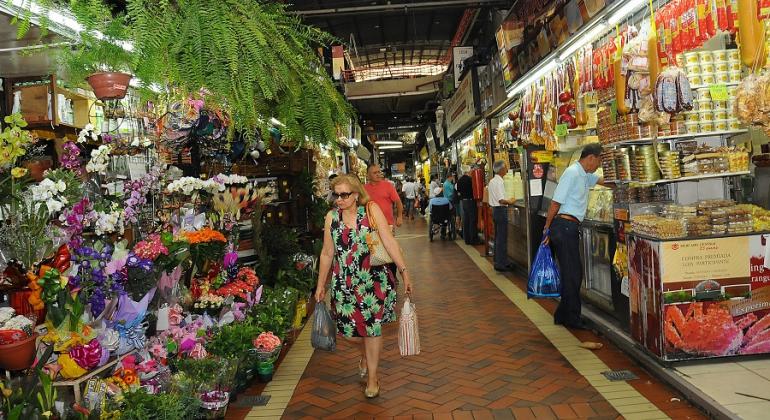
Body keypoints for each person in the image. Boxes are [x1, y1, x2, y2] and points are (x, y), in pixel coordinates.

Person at [314, 175, 413, 398]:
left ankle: (373, 378)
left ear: (356, 194)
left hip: (373, 281)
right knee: (349, 333)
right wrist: (321, 284)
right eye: (336, 195)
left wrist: (405, 272)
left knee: (372, 329)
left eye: (344, 195)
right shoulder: (332, 218)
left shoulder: (370, 210)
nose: (339, 199)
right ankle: (365, 355)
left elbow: (388, 241)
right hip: (344, 283)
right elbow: (327, 253)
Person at [543, 143, 604, 330]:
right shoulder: (572, 173)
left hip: (568, 227)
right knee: (573, 274)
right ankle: (572, 318)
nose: (598, 165)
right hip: (564, 226)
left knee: (571, 273)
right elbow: (555, 202)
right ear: (591, 158)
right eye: (599, 161)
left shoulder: (584, 174)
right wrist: (547, 228)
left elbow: (601, 181)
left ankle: (562, 314)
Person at [488, 160, 516, 271]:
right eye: (505, 167)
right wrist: (511, 201)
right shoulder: (499, 182)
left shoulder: (492, 181)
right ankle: (501, 264)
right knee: (502, 238)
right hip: (500, 210)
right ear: (501, 169)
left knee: (498, 237)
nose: (506, 169)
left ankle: (498, 261)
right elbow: (501, 200)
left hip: (495, 211)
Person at [457, 168, 478, 244]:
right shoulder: (470, 180)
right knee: (472, 220)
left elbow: (458, 192)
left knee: (466, 220)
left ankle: (467, 239)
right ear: (468, 172)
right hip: (470, 201)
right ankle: (473, 239)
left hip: (464, 202)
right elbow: (475, 190)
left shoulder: (459, 180)